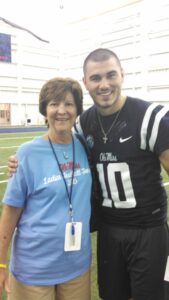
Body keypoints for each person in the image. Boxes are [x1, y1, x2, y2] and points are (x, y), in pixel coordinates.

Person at [7, 48, 169, 300]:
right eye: (95, 78)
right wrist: (21, 162)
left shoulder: (150, 117)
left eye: (110, 75)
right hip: (109, 229)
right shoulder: (83, 125)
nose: (104, 84)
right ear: (86, 83)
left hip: (147, 229)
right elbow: (56, 152)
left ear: (122, 75)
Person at [0, 77, 92, 300]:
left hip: (77, 267)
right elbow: (10, 213)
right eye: (54, 104)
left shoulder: (84, 145)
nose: (61, 111)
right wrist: (1, 263)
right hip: (34, 270)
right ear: (45, 109)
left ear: (77, 109)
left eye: (69, 104)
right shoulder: (27, 154)